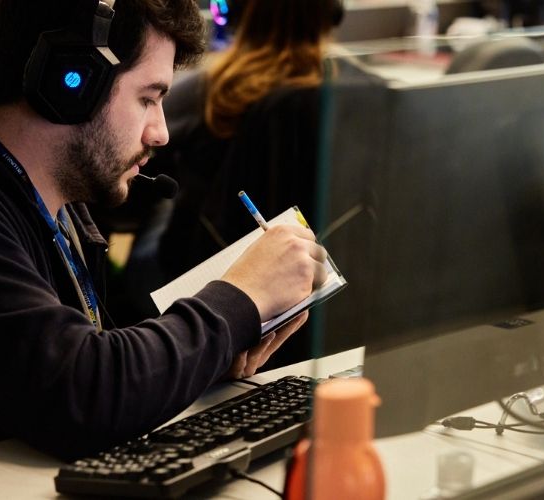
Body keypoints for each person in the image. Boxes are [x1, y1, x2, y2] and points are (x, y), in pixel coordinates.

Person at [0, 0, 329, 469]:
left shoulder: (57, 208)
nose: (160, 132)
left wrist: (210, 354)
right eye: (148, 98)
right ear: (70, 80)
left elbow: (90, 365)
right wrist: (239, 299)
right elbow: (83, 394)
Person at [98, 0, 376, 368]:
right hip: (328, 299)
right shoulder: (366, 94)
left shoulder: (203, 94)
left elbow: (120, 203)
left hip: (197, 284)